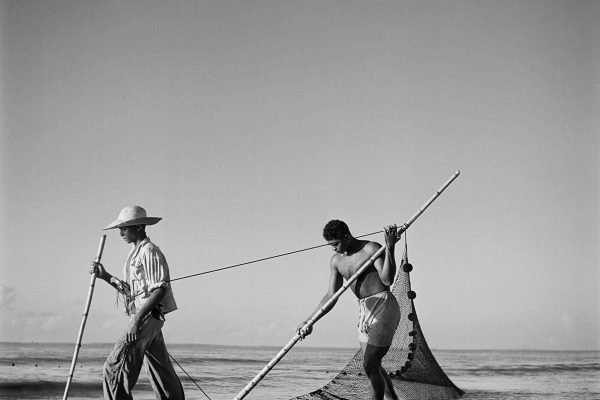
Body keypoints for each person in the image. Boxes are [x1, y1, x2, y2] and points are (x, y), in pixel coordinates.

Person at [298, 220, 401, 400]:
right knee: (373, 365)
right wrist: (310, 320)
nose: (333, 249)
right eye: (330, 245)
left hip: (383, 306)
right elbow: (331, 295)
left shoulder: (370, 249)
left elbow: (387, 280)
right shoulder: (336, 261)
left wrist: (389, 248)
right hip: (364, 311)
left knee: (369, 364)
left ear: (346, 236)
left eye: (335, 244)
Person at [90, 205, 185, 400]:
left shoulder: (149, 251)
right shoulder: (135, 252)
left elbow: (160, 290)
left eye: (125, 227)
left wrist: (136, 321)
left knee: (114, 369)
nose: (121, 232)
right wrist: (106, 276)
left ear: (140, 227)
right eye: (120, 228)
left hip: (147, 316)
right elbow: (133, 293)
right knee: (160, 371)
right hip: (148, 317)